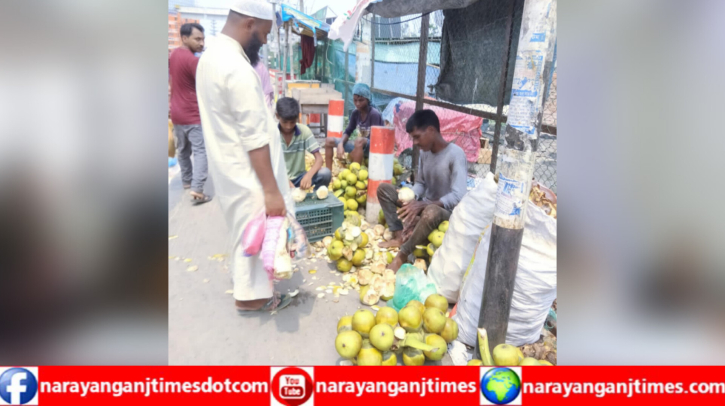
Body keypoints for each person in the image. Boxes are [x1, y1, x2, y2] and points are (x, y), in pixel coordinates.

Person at [196, 0, 293, 313]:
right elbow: (254, 138)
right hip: (249, 172)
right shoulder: (236, 68)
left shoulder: (211, 57)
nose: (264, 42)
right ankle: (253, 299)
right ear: (249, 23)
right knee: (255, 230)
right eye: (264, 34)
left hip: (230, 165)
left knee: (244, 232)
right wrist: (271, 190)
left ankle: (251, 291)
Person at [378, 110, 468, 272]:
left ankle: (402, 255)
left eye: (417, 137)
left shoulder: (456, 154)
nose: (415, 142)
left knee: (431, 211)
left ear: (431, 131)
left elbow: (458, 195)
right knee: (384, 189)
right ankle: (399, 237)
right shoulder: (424, 153)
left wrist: (424, 204)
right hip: (425, 207)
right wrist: (411, 196)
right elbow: (420, 183)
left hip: (445, 213)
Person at [169, 22, 212, 204]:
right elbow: (207, 85)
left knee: (183, 150)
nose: (201, 43)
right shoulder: (194, 61)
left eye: (203, 39)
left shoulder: (173, 55)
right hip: (193, 115)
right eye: (197, 39)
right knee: (201, 151)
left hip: (176, 114)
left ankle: (187, 181)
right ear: (184, 38)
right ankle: (198, 188)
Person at [324, 83, 384, 170]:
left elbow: (377, 140)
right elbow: (348, 131)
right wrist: (340, 144)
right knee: (329, 140)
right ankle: (328, 174)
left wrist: (356, 150)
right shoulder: (355, 113)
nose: (357, 103)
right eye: (355, 100)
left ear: (367, 99)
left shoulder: (374, 114)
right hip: (360, 145)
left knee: (359, 141)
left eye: (361, 100)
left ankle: (355, 175)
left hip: (374, 148)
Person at [276, 97, 331, 191]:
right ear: (277, 116)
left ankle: (315, 201)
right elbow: (269, 164)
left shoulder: (304, 131)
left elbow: (319, 159)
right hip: (278, 179)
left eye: (292, 122)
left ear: (298, 117)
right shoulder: (272, 134)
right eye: (284, 122)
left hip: (299, 179)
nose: (288, 126)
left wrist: (308, 176)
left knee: (325, 173)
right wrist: (286, 181)